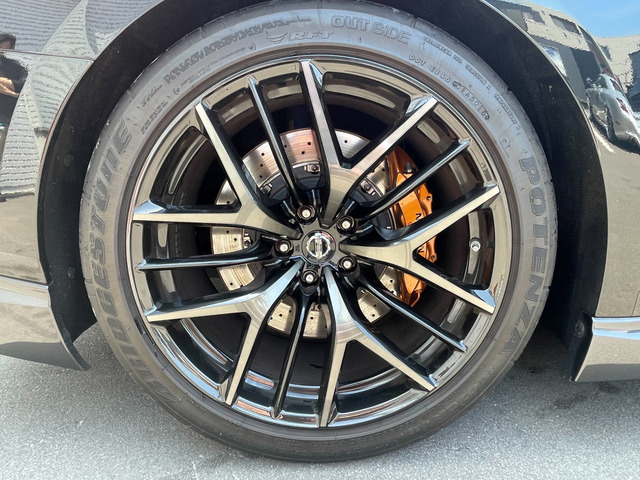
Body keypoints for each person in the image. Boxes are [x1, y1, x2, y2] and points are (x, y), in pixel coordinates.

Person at [0, 33, 28, 158]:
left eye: (5, 50)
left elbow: (25, 82)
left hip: (5, 119)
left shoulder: (14, 66)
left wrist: (7, 84)